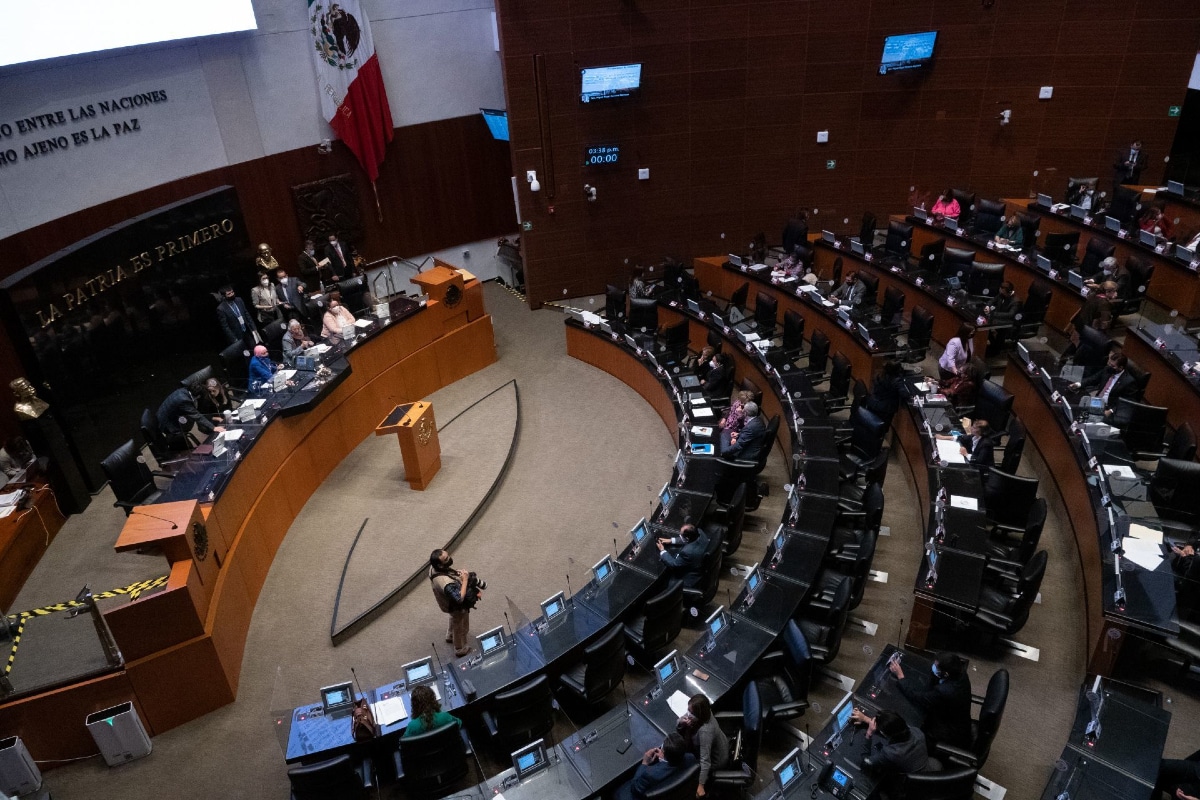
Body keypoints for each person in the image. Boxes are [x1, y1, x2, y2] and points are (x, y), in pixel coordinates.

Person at [889, 652, 972, 752]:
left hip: (948, 731)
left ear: (946, 673)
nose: (933, 667)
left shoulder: (944, 691)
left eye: (936, 666)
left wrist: (900, 676)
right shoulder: (961, 673)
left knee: (910, 728)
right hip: (960, 720)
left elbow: (917, 697)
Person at [613, 733, 697, 800]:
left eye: (662, 748)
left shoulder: (650, 774)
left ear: (663, 754)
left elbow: (635, 789)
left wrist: (644, 763)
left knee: (618, 791)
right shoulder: (691, 758)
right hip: (676, 791)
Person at [428, 549, 479, 657]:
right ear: (440, 566)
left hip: (446, 602)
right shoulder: (446, 584)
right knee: (460, 624)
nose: (449, 558)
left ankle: (450, 635)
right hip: (454, 605)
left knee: (454, 618)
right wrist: (465, 580)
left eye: (447, 555)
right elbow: (459, 598)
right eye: (446, 559)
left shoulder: (433, 568)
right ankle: (460, 648)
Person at [849, 708, 929, 776]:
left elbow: (865, 762)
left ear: (884, 733)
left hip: (909, 779)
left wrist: (869, 733)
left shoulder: (890, 753)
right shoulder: (917, 732)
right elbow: (895, 728)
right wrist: (865, 719)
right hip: (925, 764)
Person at [677, 694, 728, 796]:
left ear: (698, 714)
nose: (688, 714)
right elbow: (681, 722)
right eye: (688, 710)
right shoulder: (704, 713)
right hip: (718, 744)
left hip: (715, 760)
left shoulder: (705, 732)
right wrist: (681, 722)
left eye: (691, 712)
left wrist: (701, 784)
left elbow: (705, 761)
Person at [1072, 350, 1137, 417]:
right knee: (1073, 407)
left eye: (1113, 366)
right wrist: (1078, 384)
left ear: (1120, 368)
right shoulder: (1107, 370)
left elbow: (1126, 402)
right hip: (1097, 401)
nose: (1110, 367)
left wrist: (1111, 410)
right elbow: (1093, 379)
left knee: (1080, 413)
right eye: (1109, 363)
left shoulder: (1128, 381)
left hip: (1108, 408)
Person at [157, 383, 223, 443]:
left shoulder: (185, 390)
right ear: (199, 396)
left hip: (168, 414)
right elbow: (196, 416)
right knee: (180, 442)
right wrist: (214, 428)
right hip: (166, 422)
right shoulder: (183, 400)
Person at [656, 522, 710, 589]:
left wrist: (662, 551)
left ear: (687, 538)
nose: (679, 536)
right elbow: (689, 539)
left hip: (689, 577)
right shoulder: (700, 533)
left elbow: (674, 564)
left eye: (681, 535)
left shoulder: (687, 552)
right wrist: (671, 540)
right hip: (699, 564)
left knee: (662, 582)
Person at [215, 285, 259, 349]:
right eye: (229, 294)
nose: (232, 294)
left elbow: (247, 314)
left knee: (254, 348)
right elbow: (225, 327)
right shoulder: (221, 308)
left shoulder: (239, 300)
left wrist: (254, 328)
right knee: (245, 353)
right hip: (237, 334)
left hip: (246, 330)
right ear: (224, 296)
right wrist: (234, 339)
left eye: (232, 292)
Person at [985, 281, 1022, 355]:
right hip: (1000, 319)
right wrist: (987, 306)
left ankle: (995, 351)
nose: (1001, 294)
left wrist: (993, 314)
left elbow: (1010, 315)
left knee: (990, 326)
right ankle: (990, 344)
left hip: (1010, 323)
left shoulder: (1016, 302)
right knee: (986, 323)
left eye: (1003, 293)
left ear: (1009, 292)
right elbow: (992, 301)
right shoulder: (1002, 294)